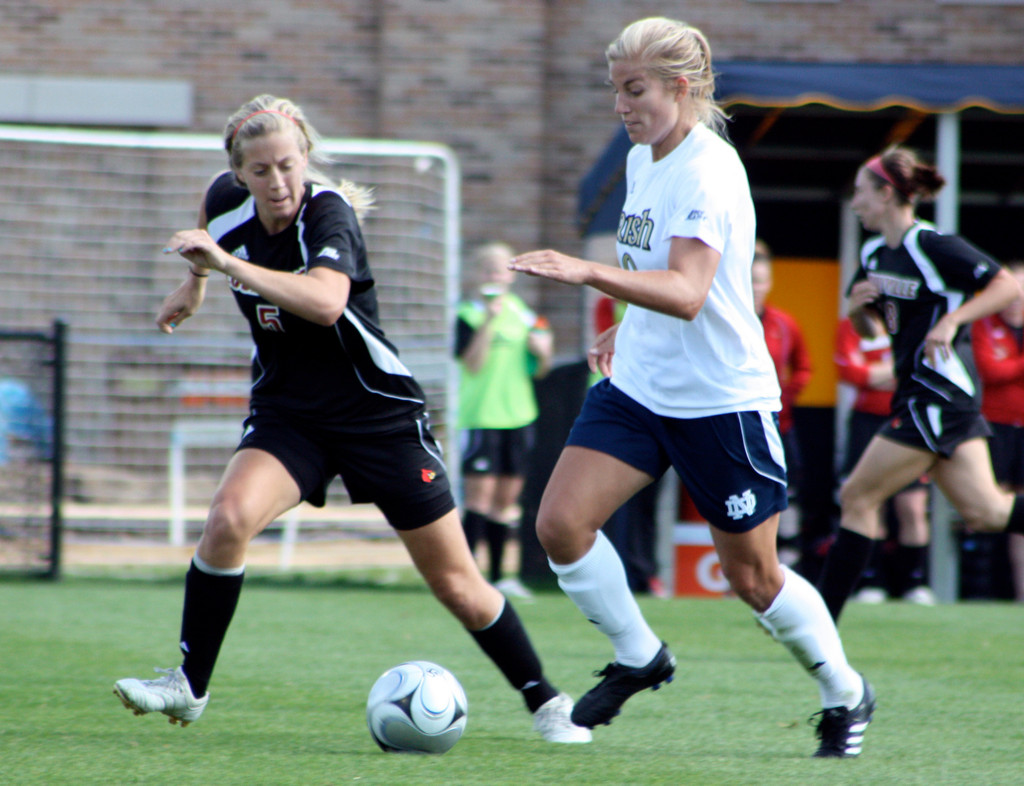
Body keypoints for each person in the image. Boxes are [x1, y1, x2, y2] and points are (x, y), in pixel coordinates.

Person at [111, 94, 590, 744]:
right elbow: (209, 223)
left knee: (457, 583)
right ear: (240, 173)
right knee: (227, 519)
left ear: (306, 157)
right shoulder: (226, 199)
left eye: (288, 165)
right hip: (291, 415)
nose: (277, 183)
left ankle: (546, 701)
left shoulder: (326, 213)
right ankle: (189, 686)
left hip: (378, 415)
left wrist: (224, 266)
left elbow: (328, 303)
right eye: (261, 171)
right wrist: (193, 286)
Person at [509, 17, 874, 759]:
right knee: (560, 525)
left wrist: (583, 273)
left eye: (634, 88)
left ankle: (844, 690)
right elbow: (651, 274)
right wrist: (618, 327)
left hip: (721, 400)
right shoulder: (646, 158)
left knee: (754, 577)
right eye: (615, 89)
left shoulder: (710, 169)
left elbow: (685, 291)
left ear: (681, 88)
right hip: (641, 387)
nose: (621, 104)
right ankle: (640, 655)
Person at [816, 146, 1024, 623]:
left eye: (861, 193)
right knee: (988, 513)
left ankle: (820, 623)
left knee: (856, 496)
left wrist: (952, 321)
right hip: (928, 396)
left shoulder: (930, 245)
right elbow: (875, 328)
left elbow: (1006, 287)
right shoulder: (873, 253)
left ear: (887, 194)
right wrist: (855, 312)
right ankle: (822, 621)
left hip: (939, 393)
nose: (854, 203)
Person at [456, 241, 554, 600]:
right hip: (481, 416)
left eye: (500, 270)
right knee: (479, 499)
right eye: (488, 270)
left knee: (505, 501)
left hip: (518, 416)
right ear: (476, 276)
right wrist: (489, 320)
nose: (494, 276)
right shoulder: (467, 314)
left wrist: (543, 353)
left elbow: (540, 369)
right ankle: (464, 574)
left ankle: (500, 577)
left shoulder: (525, 315)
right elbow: (472, 363)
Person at [834, 315, 935, 605]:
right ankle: (872, 580)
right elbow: (852, 373)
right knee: (868, 500)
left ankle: (914, 583)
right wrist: (896, 369)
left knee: (913, 506)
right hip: (866, 423)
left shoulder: (916, 319)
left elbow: (923, 370)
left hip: (907, 419)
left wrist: (876, 372)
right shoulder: (852, 324)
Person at [751, 240, 812, 567]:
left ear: (771, 282)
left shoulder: (784, 324)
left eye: (761, 280)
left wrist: (787, 393)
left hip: (780, 424)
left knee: (788, 494)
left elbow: (804, 366)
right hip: (742, 424)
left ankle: (786, 564)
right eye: (750, 280)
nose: (756, 288)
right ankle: (749, 564)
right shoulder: (730, 321)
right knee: (746, 493)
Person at [971, 260, 1024, 601]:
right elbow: (991, 371)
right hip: (997, 428)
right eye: (1012, 292)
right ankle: (985, 593)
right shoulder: (984, 324)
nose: (1016, 301)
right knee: (992, 511)